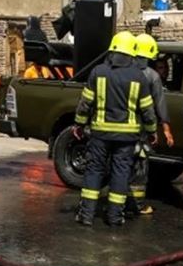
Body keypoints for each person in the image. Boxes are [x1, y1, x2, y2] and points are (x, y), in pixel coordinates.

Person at [73, 31, 156, 227]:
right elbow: (147, 109)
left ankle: (86, 215)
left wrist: (79, 124)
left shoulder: (98, 72)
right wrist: (152, 131)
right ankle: (115, 217)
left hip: (100, 133)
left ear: (112, 50)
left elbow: (85, 103)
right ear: (132, 52)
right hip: (127, 137)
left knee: (94, 170)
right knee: (121, 173)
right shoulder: (138, 76)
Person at [127, 34, 174, 216]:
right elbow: (158, 104)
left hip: (119, 128)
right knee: (140, 167)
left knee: (121, 166)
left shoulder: (122, 71)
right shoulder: (152, 76)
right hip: (140, 130)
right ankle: (137, 205)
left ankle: (117, 203)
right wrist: (164, 129)